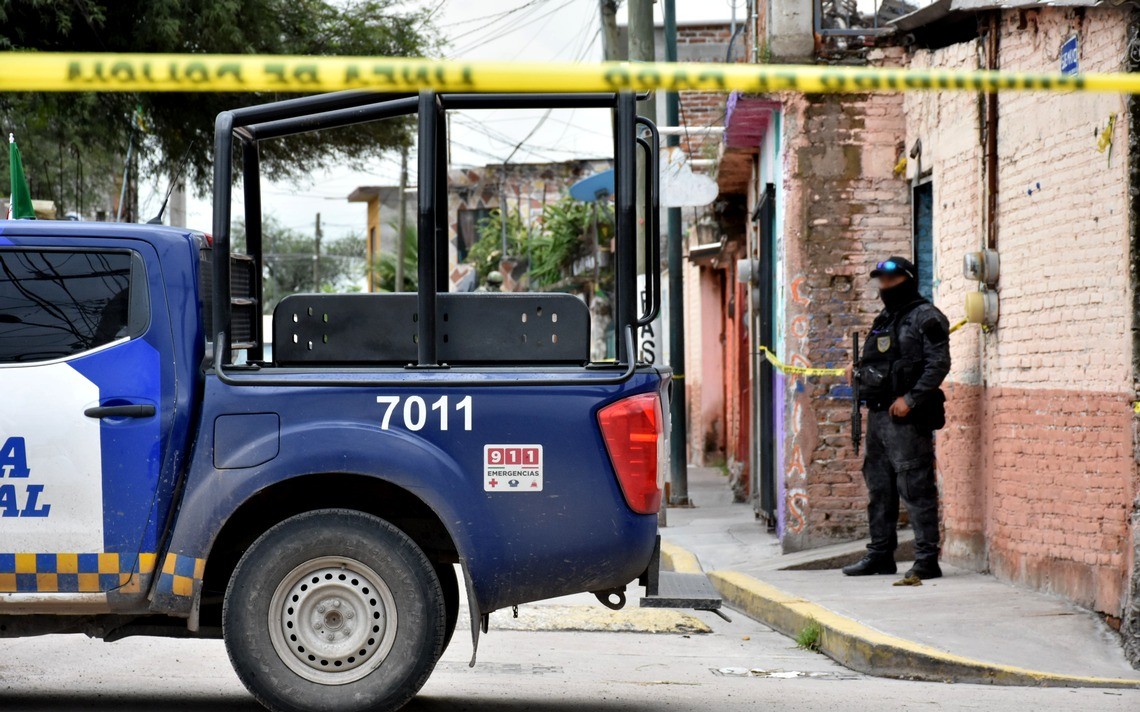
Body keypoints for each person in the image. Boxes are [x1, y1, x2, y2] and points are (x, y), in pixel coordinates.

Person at [843, 256, 950, 580]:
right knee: (880, 489)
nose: (885, 287)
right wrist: (858, 372)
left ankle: (926, 560)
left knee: (915, 488)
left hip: (906, 418)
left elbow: (938, 363)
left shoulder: (926, 317)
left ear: (907, 279)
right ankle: (880, 555)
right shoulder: (885, 319)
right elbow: (881, 361)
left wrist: (912, 398)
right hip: (878, 417)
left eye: (891, 280)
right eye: (881, 281)